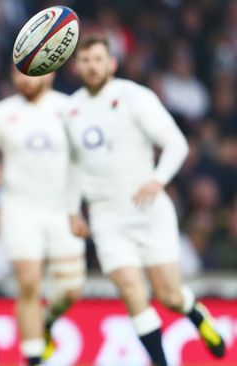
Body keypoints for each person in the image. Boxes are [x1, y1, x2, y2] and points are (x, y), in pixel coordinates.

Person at [65, 36, 226, 365]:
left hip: (147, 209)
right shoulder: (70, 111)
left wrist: (157, 180)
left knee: (168, 295)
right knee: (130, 288)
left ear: (112, 64)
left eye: (98, 59)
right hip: (106, 216)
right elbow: (72, 166)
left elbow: (176, 144)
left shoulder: (134, 97)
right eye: (85, 60)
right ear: (76, 66)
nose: (92, 66)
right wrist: (71, 210)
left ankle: (195, 313)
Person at [0, 67, 85, 366]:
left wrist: (84, 208)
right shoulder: (1, 113)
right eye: (18, 74)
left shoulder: (69, 109)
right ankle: (32, 358)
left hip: (62, 209)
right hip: (20, 208)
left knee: (70, 290)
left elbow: (87, 161)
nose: (24, 80)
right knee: (29, 282)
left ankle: (45, 323)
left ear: (50, 74)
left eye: (31, 73)